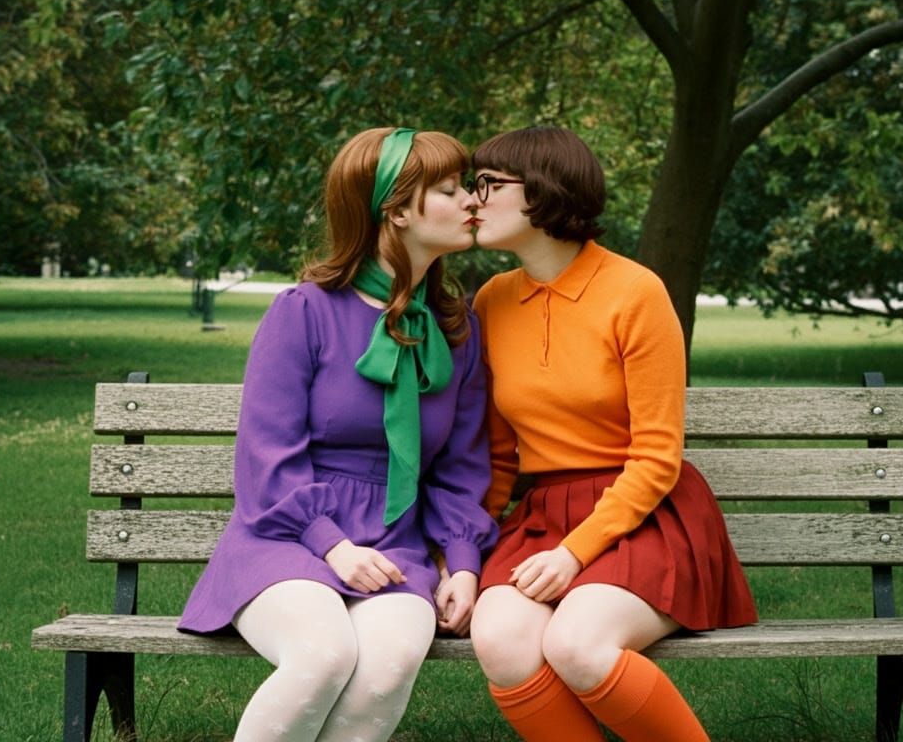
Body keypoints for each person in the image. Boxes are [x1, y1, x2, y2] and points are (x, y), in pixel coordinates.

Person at [178, 127, 498, 741]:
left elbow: (460, 467)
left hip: (396, 548)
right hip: (287, 538)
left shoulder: (458, 330)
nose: (471, 201)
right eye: (450, 190)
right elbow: (267, 457)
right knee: (323, 655)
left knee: (389, 665)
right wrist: (333, 545)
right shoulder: (304, 311)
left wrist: (461, 563)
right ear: (396, 210)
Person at [467, 126, 757, 742]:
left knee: (577, 643)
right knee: (499, 639)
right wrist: (465, 553)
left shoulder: (635, 292)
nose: (473, 199)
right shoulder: (492, 301)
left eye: (489, 184)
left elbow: (656, 457)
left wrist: (574, 553)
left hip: (647, 515)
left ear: (542, 191)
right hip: (545, 516)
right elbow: (496, 457)